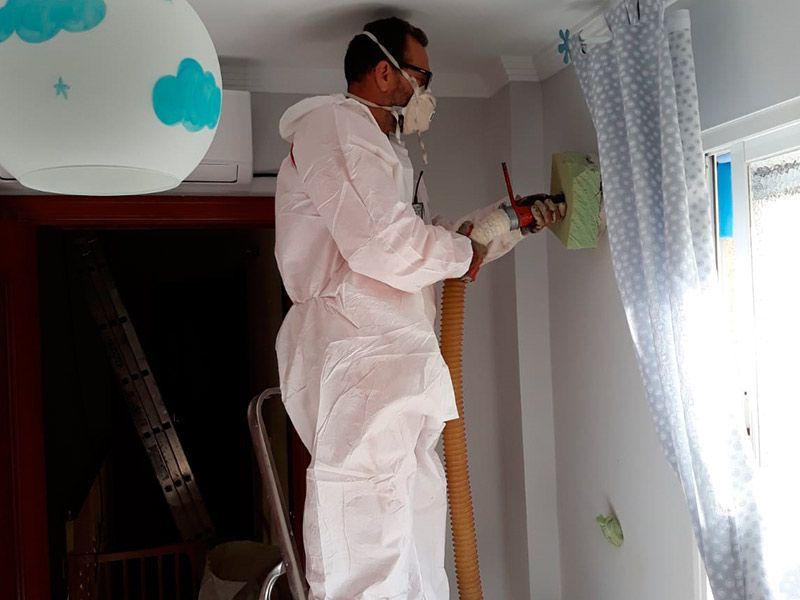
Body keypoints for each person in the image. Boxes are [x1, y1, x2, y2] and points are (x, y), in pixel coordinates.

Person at [274, 17, 560, 599]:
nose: (424, 93)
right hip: (359, 350)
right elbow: (383, 246)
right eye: (420, 77)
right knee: (370, 528)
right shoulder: (337, 127)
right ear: (385, 72)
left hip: (391, 351)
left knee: (414, 523)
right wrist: (463, 246)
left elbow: (409, 241)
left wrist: (496, 228)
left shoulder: (380, 149)